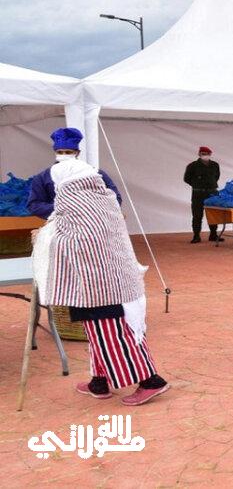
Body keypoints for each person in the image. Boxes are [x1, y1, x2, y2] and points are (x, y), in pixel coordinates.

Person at [31, 156, 169, 406]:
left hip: (101, 285)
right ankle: (99, 381)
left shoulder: (74, 203)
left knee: (113, 337)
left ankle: (151, 381)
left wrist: (46, 238)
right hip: (109, 279)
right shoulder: (105, 198)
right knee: (97, 334)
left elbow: (73, 240)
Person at [27, 128, 122, 219]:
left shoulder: (95, 173)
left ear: (77, 153)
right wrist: (65, 207)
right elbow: (34, 205)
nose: (64, 155)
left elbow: (115, 198)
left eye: (68, 152)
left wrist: (90, 207)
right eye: (60, 152)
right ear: (55, 152)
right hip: (60, 223)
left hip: (94, 221)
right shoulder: (43, 177)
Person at [183, 146, 223, 244]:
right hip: (198, 193)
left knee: (213, 214)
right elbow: (186, 179)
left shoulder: (215, 165)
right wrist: (197, 184)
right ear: (199, 154)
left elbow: (216, 177)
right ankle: (196, 236)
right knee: (197, 215)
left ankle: (213, 235)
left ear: (210, 154)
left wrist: (210, 185)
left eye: (207, 154)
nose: (205, 155)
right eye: (203, 154)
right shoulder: (192, 165)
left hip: (212, 193)